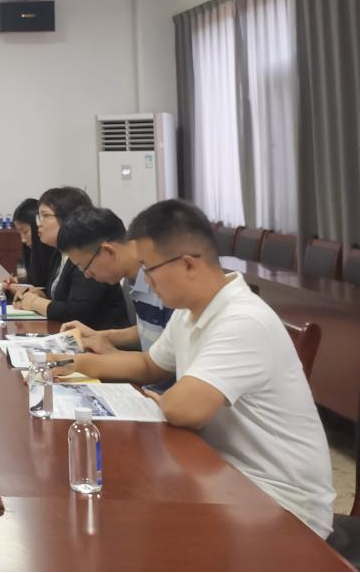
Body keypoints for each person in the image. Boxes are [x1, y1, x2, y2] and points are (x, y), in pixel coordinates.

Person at [56, 199, 335, 538]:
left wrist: (166, 401)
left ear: (188, 264)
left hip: (280, 502)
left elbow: (184, 409)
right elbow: (149, 365)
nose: (146, 281)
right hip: (222, 473)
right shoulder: (189, 312)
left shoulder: (242, 320)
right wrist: (75, 362)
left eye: (149, 268)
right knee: (121, 510)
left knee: (132, 528)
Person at [54, 206, 176, 364]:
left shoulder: (162, 281)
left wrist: (112, 353)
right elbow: (152, 331)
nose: (87, 275)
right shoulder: (133, 278)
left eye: (85, 267)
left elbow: (169, 361)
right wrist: (100, 336)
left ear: (108, 251)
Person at [13, 186, 130, 331]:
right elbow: (61, 297)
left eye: (45, 216)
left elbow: (78, 312)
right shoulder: (59, 254)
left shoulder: (89, 255)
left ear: (69, 217)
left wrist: (35, 303)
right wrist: (40, 295)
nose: (39, 224)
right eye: (39, 217)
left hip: (101, 335)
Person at [0, 197, 59, 292]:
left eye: (25, 232)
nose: (22, 239)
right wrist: (17, 281)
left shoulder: (57, 255)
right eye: (19, 233)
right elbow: (36, 282)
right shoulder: (36, 254)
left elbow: (43, 292)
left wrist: (4, 286)